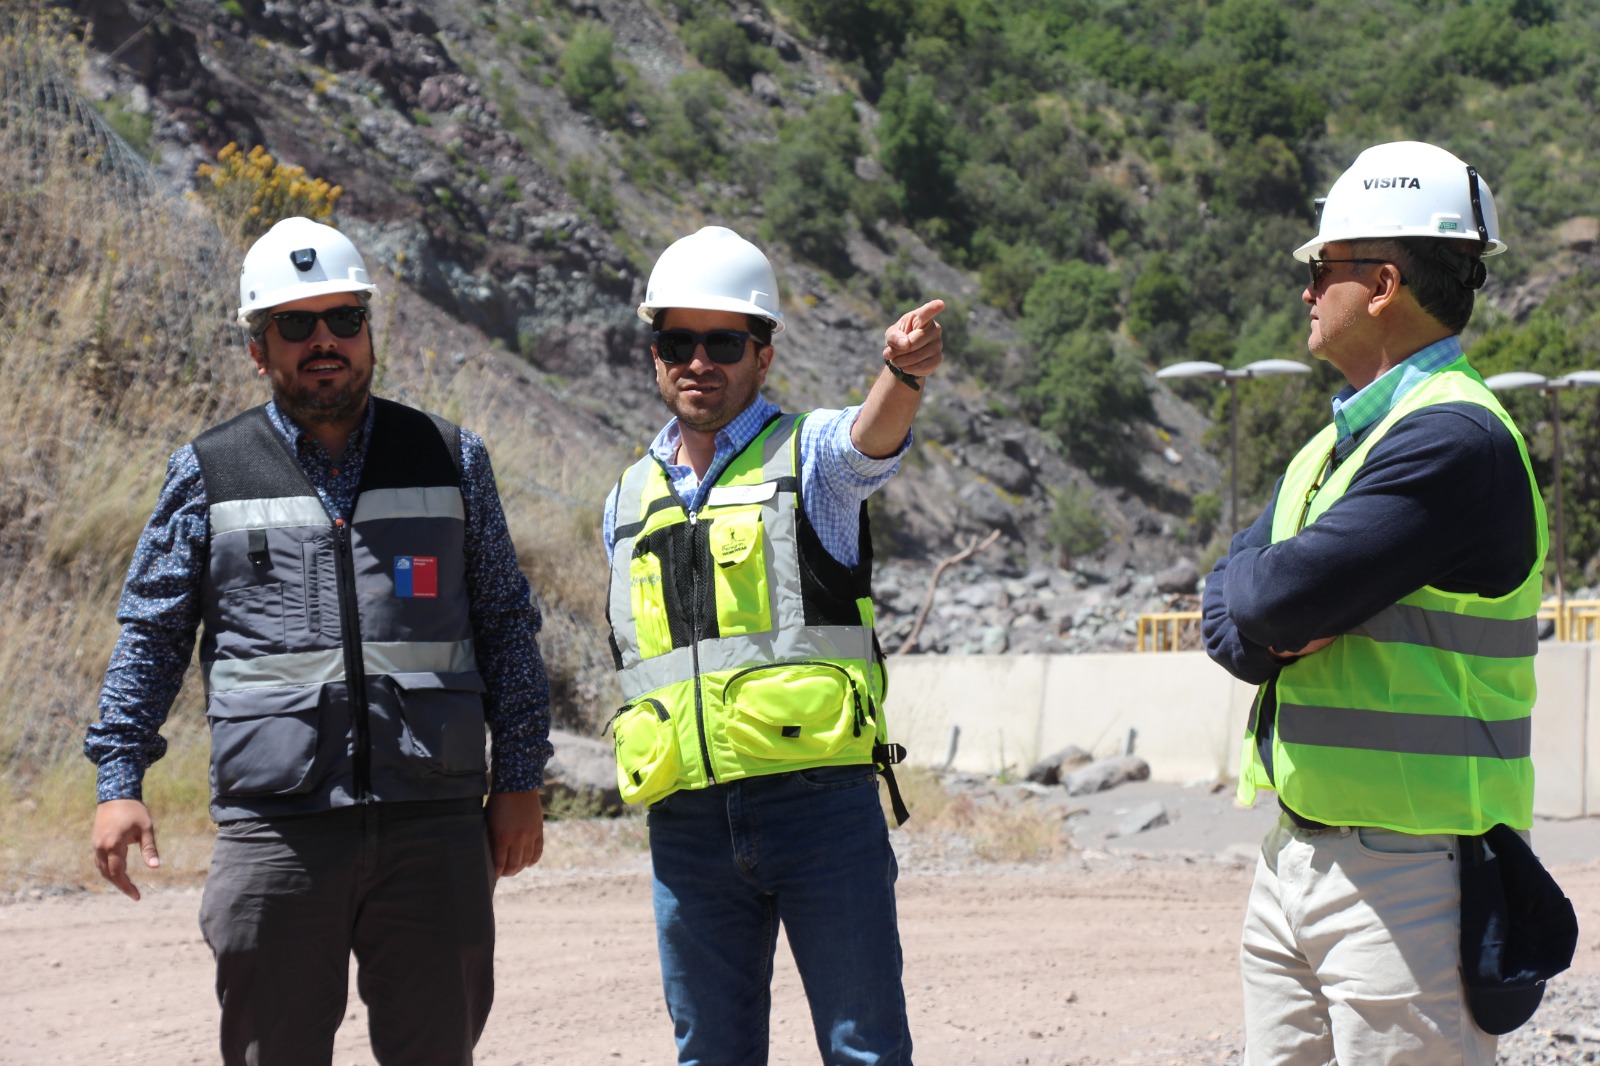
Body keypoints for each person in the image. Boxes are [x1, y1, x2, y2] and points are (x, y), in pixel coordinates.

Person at [84, 216, 552, 1066]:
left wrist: (518, 777)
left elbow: (507, 627)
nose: (324, 341)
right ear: (259, 348)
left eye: (344, 319)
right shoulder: (209, 471)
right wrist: (120, 780)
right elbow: (152, 633)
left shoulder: (452, 459)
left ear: (370, 332)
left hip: (434, 823)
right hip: (276, 831)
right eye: (295, 325)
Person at [1202, 141, 1547, 1065]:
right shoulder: (1344, 441)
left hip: (1407, 877)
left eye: (1323, 268)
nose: (1307, 288)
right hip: (1293, 858)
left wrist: (1264, 606)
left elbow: (1265, 603)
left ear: (1384, 282)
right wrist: (1261, 605)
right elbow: (1226, 616)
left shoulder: (1454, 438)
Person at [602, 226, 941, 1065]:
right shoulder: (625, 498)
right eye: (678, 342)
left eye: (724, 342)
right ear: (655, 354)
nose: (698, 361)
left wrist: (899, 374)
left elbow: (872, 441)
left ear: (763, 355)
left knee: (864, 1049)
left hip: (818, 806)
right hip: (684, 821)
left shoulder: (811, 456)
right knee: (708, 1053)